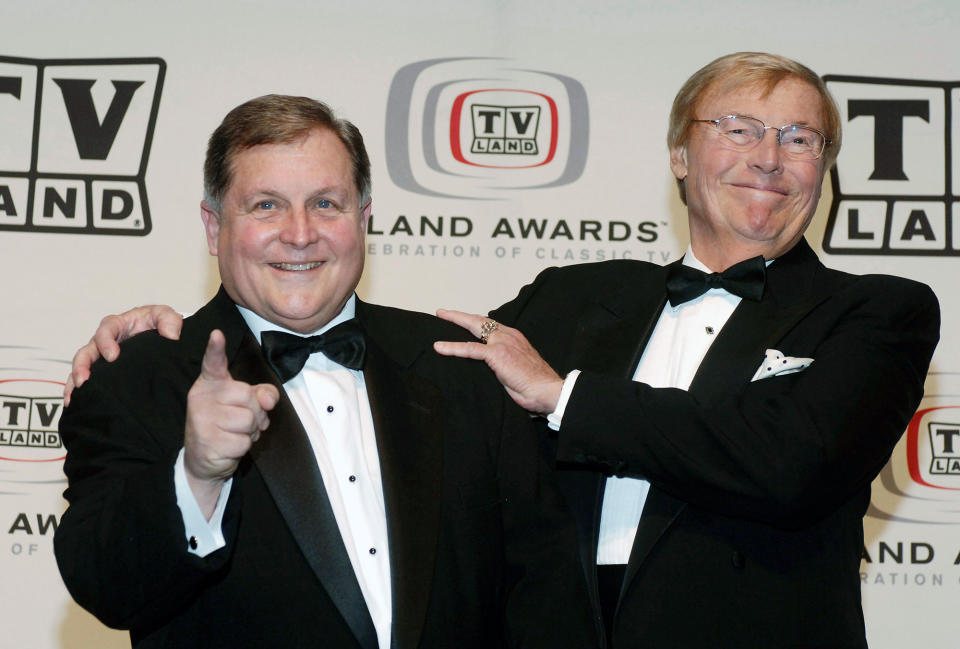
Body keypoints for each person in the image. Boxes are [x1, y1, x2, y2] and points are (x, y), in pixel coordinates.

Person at [66, 53, 941, 648]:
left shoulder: (876, 312)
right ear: (680, 152)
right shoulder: (570, 299)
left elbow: (787, 459)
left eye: (800, 138)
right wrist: (153, 344)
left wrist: (566, 398)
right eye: (740, 128)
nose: (769, 158)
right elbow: (432, 363)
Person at [53, 95, 595, 649]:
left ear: (363, 221)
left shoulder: (461, 367)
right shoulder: (135, 377)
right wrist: (196, 476)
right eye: (266, 205)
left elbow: (546, 591)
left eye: (326, 204)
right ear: (214, 228)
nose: (299, 233)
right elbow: (105, 586)